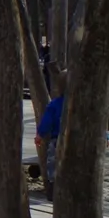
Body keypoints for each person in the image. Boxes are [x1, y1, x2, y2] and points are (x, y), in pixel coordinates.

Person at [36, 71, 66, 201]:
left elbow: (47, 121)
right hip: (79, 141)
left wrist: (40, 134)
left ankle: (53, 191)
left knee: (53, 166)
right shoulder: (86, 104)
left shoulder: (55, 104)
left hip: (58, 139)